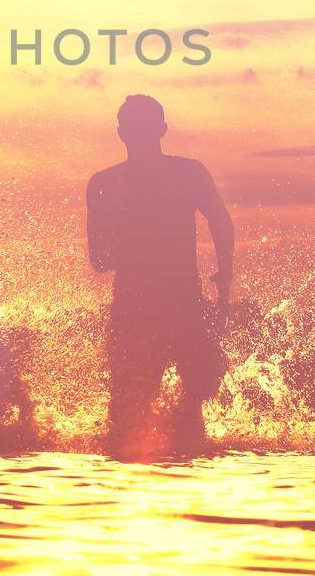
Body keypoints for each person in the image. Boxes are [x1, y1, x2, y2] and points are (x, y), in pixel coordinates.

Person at [87, 94, 235, 458]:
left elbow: (219, 220)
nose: (137, 134)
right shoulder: (110, 183)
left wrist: (225, 275)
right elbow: (101, 260)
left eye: (141, 127)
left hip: (178, 302)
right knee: (129, 409)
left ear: (120, 133)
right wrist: (224, 274)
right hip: (137, 309)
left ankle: (168, 453)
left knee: (195, 393)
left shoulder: (185, 174)